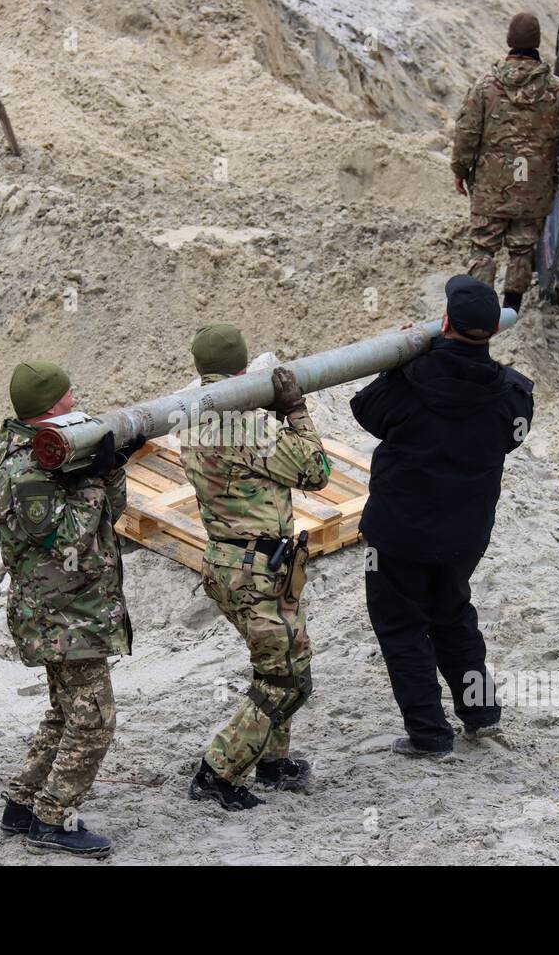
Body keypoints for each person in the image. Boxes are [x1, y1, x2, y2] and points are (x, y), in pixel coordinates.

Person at [350, 276, 533, 759]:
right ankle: (480, 715)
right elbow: (514, 433)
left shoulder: (409, 383)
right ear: (494, 330)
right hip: (464, 537)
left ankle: (429, 735)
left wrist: (406, 359)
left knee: (401, 627)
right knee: (452, 617)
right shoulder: (512, 397)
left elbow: (364, 411)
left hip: (398, 535)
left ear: (445, 322)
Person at [179, 325, 331, 810]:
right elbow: (316, 473)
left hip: (228, 563)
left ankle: (269, 760)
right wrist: (293, 411)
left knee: (279, 664)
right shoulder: (255, 427)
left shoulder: (190, 419)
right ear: (244, 368)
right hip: (259, 571)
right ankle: (218, 772)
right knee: (288, 680)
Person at [0, 360, 139, 858]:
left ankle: (23, 803)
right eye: (68, 395)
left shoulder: (58, 451)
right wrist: (93, 481)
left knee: (66, 712)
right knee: (95, 720)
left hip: (73, 607)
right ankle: (53, 820)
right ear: (49, 406)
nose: (76, 400)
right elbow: (66, 539)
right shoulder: (27, 466)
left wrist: (111, 468)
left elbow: (108, 518)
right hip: (61, 614)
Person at [451, 11, 559, 314]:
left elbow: (467, 134)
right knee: (523, 248)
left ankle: (480, 309)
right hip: (534, 188)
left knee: (484, 247)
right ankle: (512, 308)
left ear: (510, 42)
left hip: (490, 187)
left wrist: (460, 170)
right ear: (537, 43)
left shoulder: (485, 88)